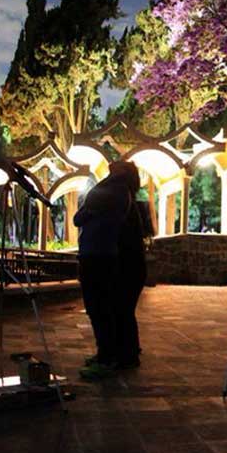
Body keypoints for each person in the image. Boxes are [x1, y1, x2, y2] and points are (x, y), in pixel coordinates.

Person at [75, 160, 141, 379]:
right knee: (114, 311)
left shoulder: (115, 190)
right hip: (109, 258)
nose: (113, 164)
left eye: (119, 166)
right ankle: (120, 355)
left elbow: (79, 217)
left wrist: (88, 205)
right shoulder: (121, 191)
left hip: (100, 257)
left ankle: (108, 357)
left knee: (101, 309)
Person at [114, 161, 148, 368]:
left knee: (123, 310)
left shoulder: (126, 206)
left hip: (129, 266)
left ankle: (128, 355)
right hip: (133, 266)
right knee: (124, 310)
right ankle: (129, 350)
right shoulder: (132, 204)